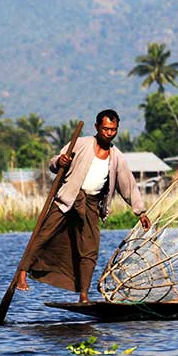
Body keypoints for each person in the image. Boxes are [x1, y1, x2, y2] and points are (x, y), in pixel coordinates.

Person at [17, 109, 152, 302]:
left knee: (90, 250)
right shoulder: (80, 144)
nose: (109, 133)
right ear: (97, 127)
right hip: (67, 199)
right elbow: (54, 163)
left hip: (91, 204)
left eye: (113, 130)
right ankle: (22, 272)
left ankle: (83, 294)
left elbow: (128, 185)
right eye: (105, 129)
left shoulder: (116, 157)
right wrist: (60, 161)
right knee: (43, 235)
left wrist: (140, 212)